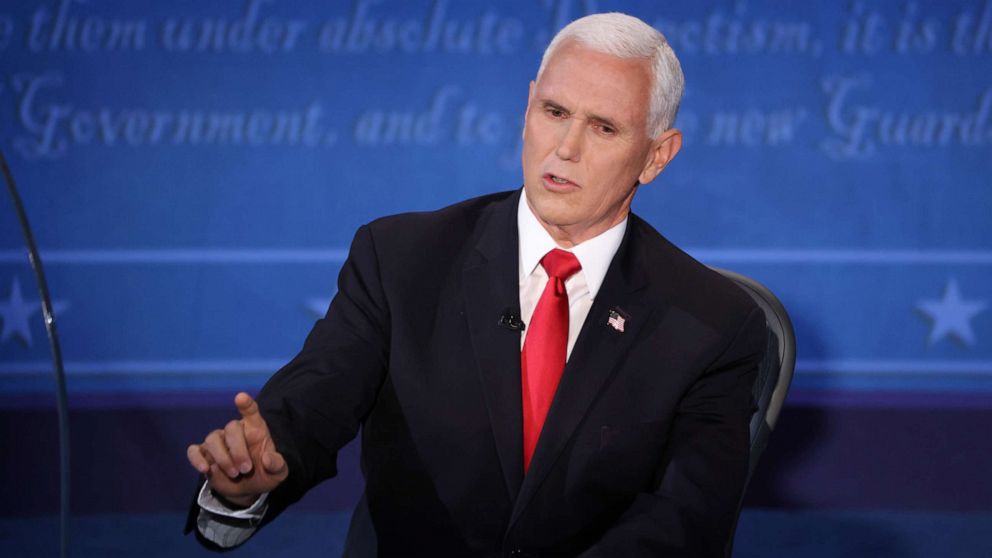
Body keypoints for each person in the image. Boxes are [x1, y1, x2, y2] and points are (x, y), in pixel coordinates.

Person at [185, 12, 766, 558]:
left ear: (657, 156)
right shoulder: (403, 259)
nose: (565, 149)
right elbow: (313, 402)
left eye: (604, 127)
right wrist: (254, 473)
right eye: (554, 112)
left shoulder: (711, 322)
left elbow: (687, 522)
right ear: (527, 106)